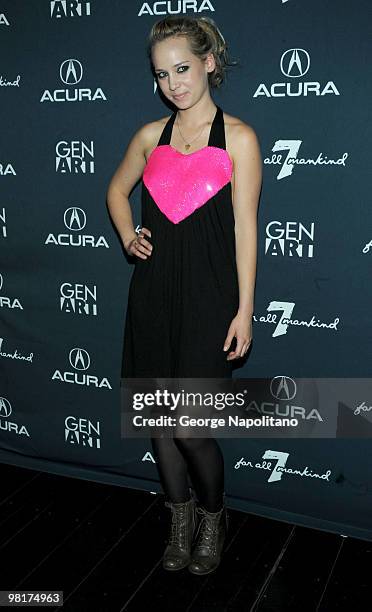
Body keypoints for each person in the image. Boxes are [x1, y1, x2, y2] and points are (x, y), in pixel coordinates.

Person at [106, 15, 262, 575]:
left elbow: (246, 227)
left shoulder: (239, 137)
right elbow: (115, 190)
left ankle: (213, 515)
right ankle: (179, 518)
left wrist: (244, 309)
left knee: (191, 427)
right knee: (158, 423)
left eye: (183, 68)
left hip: (209, 302)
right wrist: (129, 236)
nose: (173, 83)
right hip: (151, 298)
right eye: (162, 74)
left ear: (209, 64)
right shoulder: (150, 137)